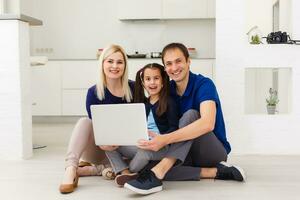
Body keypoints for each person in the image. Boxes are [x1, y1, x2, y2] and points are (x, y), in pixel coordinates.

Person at [124, 43, 246, 195]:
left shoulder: (204, 84)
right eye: (168, 64)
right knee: (146, 166)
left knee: (191, 115)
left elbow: (207, 123)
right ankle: (215, 172)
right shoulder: (167, 89)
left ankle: (158, 173)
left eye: (178, 61)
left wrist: (165, 139)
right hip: (183, 153)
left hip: (210, 152)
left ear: (188, 61)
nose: (174, 68)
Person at [59, 44, 134, 194]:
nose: (115, 66)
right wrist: (103, 143)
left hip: (125, 151)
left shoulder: (134, 87)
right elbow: (96, 127)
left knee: (143, 161)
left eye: (119, 62)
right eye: (110, 61)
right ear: (102, 64)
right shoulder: (93, 92)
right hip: (99, 150)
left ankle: (97, 170)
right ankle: (71, 168)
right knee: (85, 122)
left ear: (125, 65)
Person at [105, 63, 184, 188]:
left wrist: (161, 139)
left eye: (156, 78)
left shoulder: (170, 102)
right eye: (148, 79)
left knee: (144, 152)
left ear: (163, 81)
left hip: (161, 146)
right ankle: (124, 171)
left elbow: (174, 128)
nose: (152, 82)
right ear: (143, 83)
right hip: (143, 143)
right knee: (108, 144)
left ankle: (129, 173)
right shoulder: (143, 104)